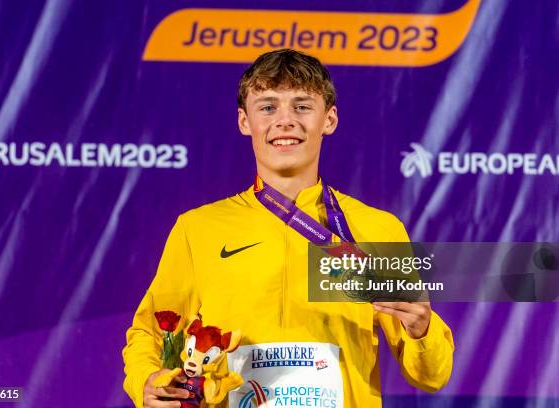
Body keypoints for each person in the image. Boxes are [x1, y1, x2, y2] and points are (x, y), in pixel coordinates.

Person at [122, 48, 454, 408]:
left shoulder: (378, 229)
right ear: (244, 121)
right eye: (267, 107)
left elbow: (432, 375)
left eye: (302, 106)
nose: (284, 121)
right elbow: (151, 333)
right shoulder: (198, 228)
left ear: (329, 119)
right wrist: (147, 380)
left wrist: (422, 329)